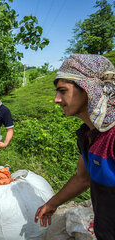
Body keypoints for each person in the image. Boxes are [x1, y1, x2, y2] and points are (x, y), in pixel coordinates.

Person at [34, 54, 115, 239]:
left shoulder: (112, 137)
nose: (56, 99)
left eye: (63, 91)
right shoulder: (88, 136)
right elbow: (82, 178)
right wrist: (52, 204)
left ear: (89, 89)